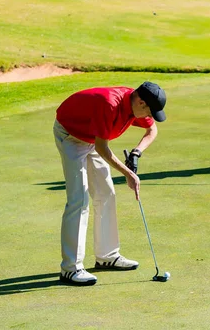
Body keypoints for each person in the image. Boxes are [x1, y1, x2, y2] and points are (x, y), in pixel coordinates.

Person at [53, 81, 166, 285]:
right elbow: (102, 147)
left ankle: (107, 257)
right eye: (150, 110)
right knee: (79, 199)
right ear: (141, 102)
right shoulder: (110, 105)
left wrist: (136, 152)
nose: (150, 116)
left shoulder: (135, 106)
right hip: (70, 134)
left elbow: (152, 131)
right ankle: (70, 268)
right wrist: (128, 174)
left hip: (92, 138)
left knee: (106, 193)